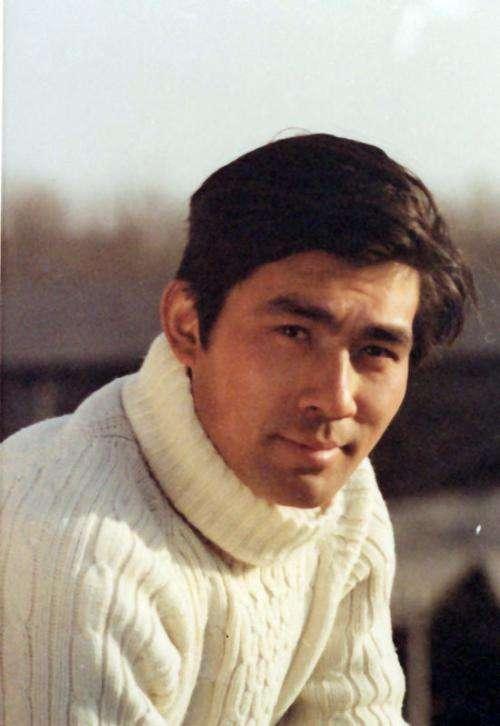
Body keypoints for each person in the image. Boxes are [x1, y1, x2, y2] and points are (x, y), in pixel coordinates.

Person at [0, 133, 474, 724]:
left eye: (375, 350)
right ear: (186, 326)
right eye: (294, 334)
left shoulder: (346, 504)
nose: (335, 399)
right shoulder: (82, 550)